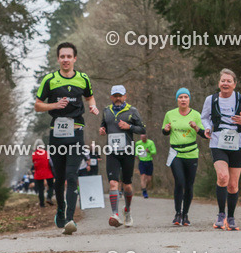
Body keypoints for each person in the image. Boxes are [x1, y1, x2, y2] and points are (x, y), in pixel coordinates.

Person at [34, 42, 98, 235]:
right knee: (59, 178)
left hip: (77, 132)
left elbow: (89, 97)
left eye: (69, 56)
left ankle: (70, 219)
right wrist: (54, 106)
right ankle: (60, 209)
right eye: (62, 56)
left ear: (75, 59)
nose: (65, 60)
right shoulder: (50, 80)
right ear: (58, 59)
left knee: (72, 176)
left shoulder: (83, 78)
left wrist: (93, 106)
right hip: (57, 134)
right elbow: (37, 105)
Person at [201, 70, 241, 231]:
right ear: (219, 83)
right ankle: (220, 215)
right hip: (218, 141)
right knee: (223, 177)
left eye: (229, 81)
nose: (225, 83)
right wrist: (207, 128)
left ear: (234, 84)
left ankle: (231, 218)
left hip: (238, 143)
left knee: (232, 185)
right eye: (223, 81)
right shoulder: (210, 99)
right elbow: (204, 117)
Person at [100, 85, 146, 228]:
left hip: (127, 152)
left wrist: (129, 127)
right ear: (111, 97)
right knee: (113, 183)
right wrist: (102, 130)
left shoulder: (132, 111)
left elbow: (142, 128)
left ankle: (127, 211)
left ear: (125, 96)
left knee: (127, 185)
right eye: (115, 96)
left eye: (120, 96)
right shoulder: (106, 111)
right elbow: (104, 126)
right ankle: (115, 214)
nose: (118, 98)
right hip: (112, 152)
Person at [163, 88, 207, 226]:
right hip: (176, 153)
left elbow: (204, 134)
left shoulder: (196, 115)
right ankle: (177, 213)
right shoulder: (170, 114)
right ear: (177, 99)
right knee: (180, 182)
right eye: (180, 97)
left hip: (191, 153)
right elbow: (164, 131)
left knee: (189, 185)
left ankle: (185, 214)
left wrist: (196, 127)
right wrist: (166, 130)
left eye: (185, 97)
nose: (183, 99)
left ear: (189, 99)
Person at [32, 140, 54, 207]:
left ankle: (42, 204)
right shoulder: (46, 153)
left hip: (38, 173)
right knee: (51, 186)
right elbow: (51, 163)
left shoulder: (34, 154)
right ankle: (49, 197)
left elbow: (34, 164)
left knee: (40, 189)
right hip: (47, 172)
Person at [135, 134, 156, 198]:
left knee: (149, 179)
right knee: (143, 176)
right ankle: (144, 192)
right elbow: (136, 151)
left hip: (149, 161)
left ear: (146, 138)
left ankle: (145, 188)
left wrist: (149, 151)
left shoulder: (150, 142)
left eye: (144, 138)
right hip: (142, 162)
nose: (143, 140)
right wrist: (136, 155)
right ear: (140, 138)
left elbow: (154, 151)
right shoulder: (138, 143)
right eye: (142, 138)